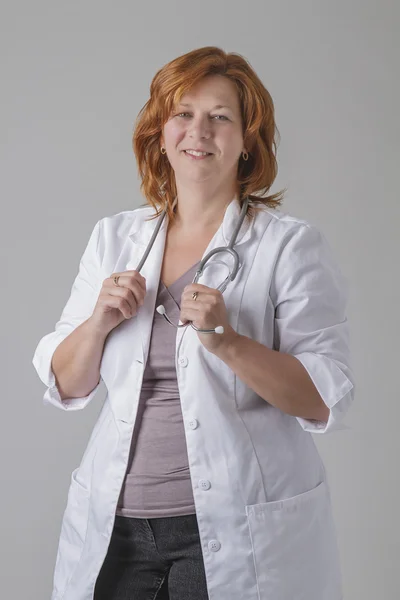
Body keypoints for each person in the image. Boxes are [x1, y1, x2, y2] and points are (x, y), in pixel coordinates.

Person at [32, 46, 355, 600]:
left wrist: (227, 343)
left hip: (231, 529)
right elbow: (66, 382)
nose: (198, 131)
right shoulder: (115, 239)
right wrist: (97, 324)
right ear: (161, 132)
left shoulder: (289, 246)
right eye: (183, 113)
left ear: (248, 140)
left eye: (221, 116)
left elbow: (323, 399)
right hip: (118, 528)